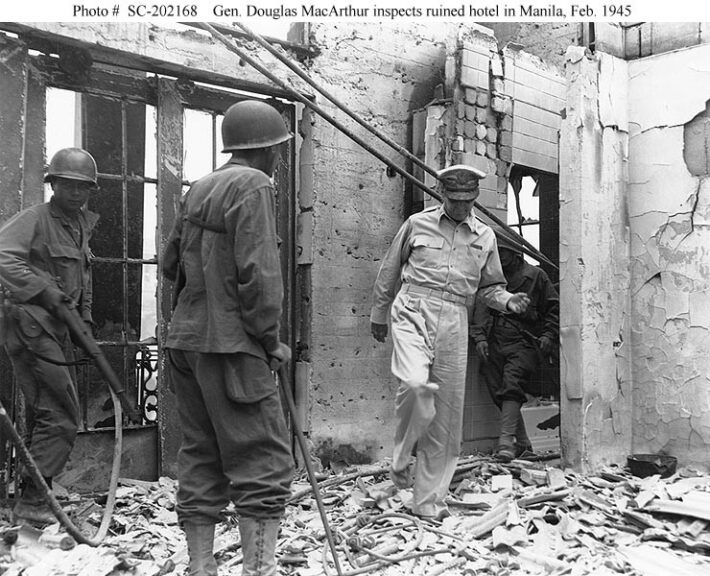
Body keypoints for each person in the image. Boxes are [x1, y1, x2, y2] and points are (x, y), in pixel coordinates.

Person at [162, 99, 294, 576]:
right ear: (267, 149)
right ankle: (257, 570)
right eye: (278, 148)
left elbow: (170, 263)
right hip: (233, 345)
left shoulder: (199, 187)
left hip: (187, 341)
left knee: (201, 454)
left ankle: (202, 569)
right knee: (261, 460)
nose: (279, 156)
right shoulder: (255, 184)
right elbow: (258, 272)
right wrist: (269, 338)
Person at [370, 165, 530, 521]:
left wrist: (508, 301)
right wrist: (378, 313)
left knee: (446, 419)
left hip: (456, 317)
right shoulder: (417, 224)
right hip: (413, 307)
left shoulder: (485, 236)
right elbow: (390, 269)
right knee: (414, 385)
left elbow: (490, 288)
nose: (461, 207)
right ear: (442, 194)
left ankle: (428, 503)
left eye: (467, 200)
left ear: (475, 197)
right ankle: (402, 453)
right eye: (454, 200)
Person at [0, 147, 100, 524]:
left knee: (51, 411)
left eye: (83, 188)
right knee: (61, 414)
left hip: (56, 327)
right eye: (67, 185)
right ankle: (33, 502)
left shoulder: (78, 225)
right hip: (30, 324)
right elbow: (2, 256)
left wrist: (85, 321)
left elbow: (81, 278)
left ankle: (34, 495)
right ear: (53, 184)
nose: (76, 194)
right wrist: (42, 289)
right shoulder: (36, 219)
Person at [470, 232, 559, 461]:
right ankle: (524, 443)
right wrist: (479, 337)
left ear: (515, 253)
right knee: (497, 387)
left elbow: (554, 308)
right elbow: (481, 305)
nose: (499, 257)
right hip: (494, 340)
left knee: (512, 383)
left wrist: (549, 334)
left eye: (504, 252)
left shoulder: (536, 276)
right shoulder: (492, 277)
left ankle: (505, 444)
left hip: (524, 342)